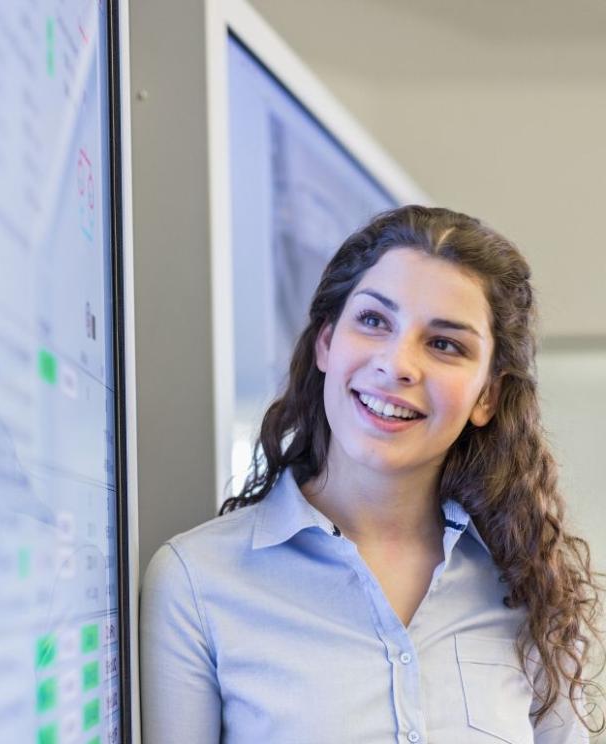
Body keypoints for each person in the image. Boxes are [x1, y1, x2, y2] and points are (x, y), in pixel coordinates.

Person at [140, 205, 603, 743]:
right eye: (374, 321)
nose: (397, 364)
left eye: (445, 344)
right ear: (326, 343)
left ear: (487, 396)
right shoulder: (198, 582)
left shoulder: (530, 584)